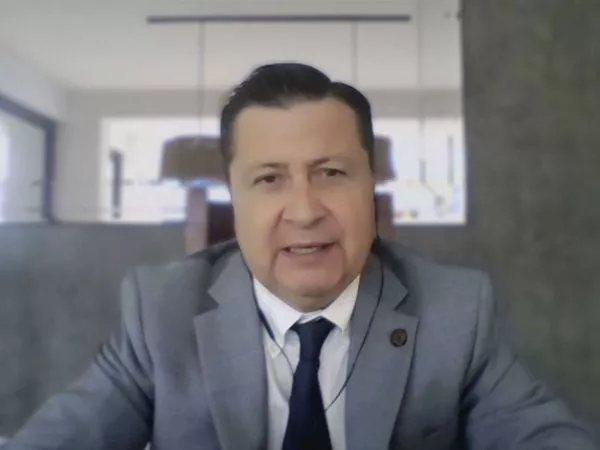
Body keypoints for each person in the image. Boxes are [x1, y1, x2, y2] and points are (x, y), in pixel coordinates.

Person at [5, 63, 598, 450]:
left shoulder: (456, 310)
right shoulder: (161, 309)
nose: (306, 210)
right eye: (269, 179)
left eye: (332, 173)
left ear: (370, 186)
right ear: (234, 197)